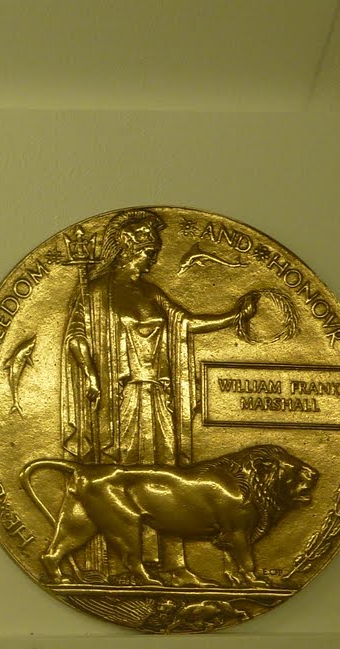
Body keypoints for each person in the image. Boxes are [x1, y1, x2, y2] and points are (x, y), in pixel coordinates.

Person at [59, 210, 254, 585]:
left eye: (154, 252)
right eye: (148, 251)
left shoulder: (151, 293)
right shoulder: (96, 293)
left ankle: (173, 565)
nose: (151, 259)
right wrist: (91, 375)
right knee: (125, 479)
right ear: (129, 248)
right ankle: (128, 564)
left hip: (158, 399)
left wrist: (233, 316)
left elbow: (186, 323)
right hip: (122, 400)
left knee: (168, 480)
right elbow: (76, 338)